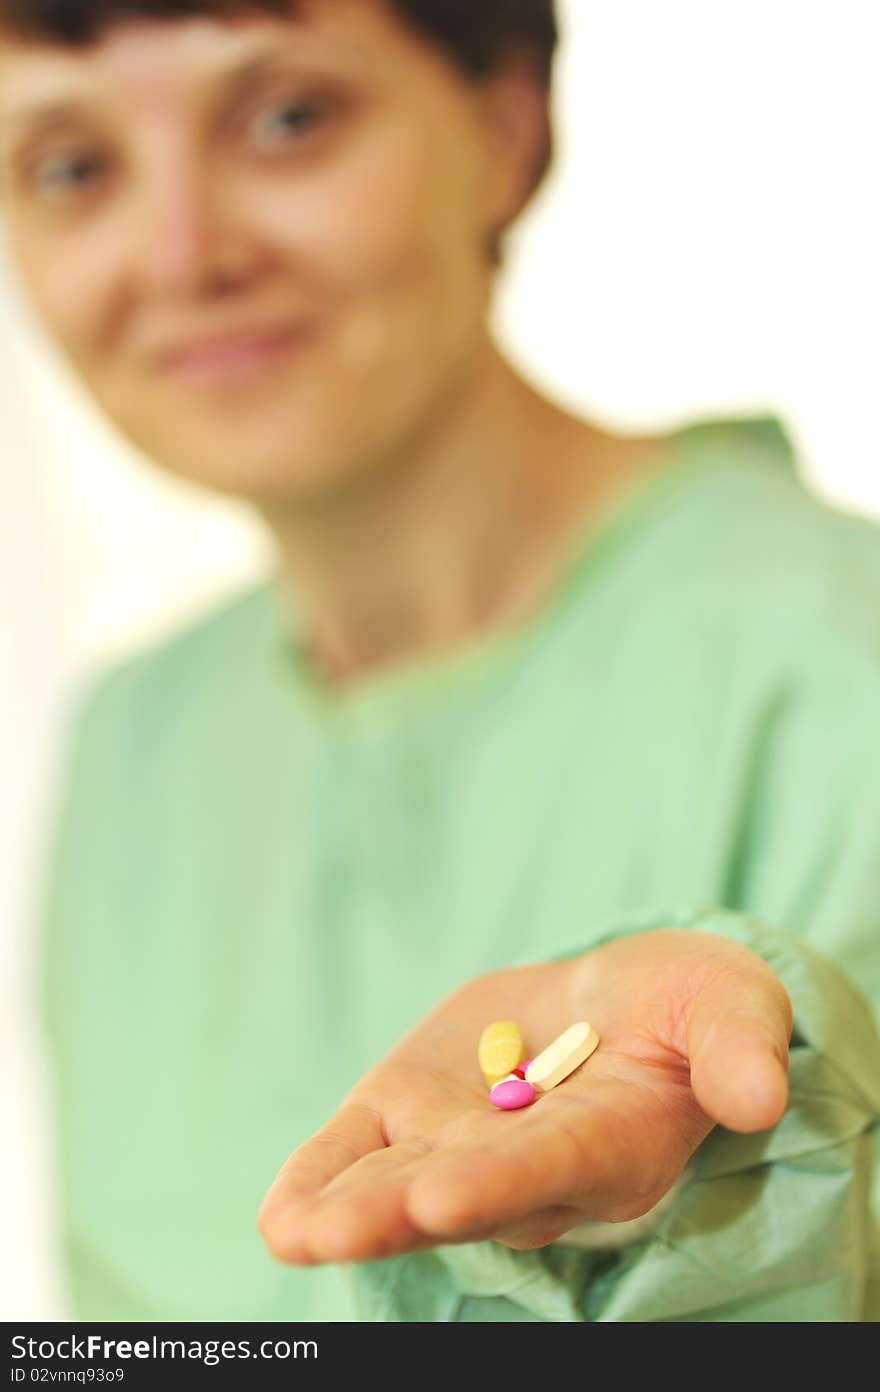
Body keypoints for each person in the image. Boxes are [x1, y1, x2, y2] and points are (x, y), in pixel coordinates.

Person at [1, 0, 878, 1323]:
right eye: (72, 167)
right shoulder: (139, 737)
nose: (181, 254)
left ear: (503, 129)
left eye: (288, 119)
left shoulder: (835, 652)